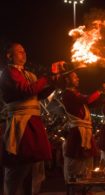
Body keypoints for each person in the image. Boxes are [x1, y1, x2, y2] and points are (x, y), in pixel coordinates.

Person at [0, 42, 64, 195]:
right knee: (17, 164)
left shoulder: (29, 74)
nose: (24, 54)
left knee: (32, 163)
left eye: (24, 51)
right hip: (20, 122)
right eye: (20, 52)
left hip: (32, 121)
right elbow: (25, 90)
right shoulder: (8, 72)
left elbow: (37, 95)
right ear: (9, 55)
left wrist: (53, 83)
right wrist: (47, 78)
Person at [61, 70, 104, 181]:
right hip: (77, 132)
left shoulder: (75, 93)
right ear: (67, 80)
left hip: (85, 131)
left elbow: (91, 102)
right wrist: (99, 91)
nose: (78, 79)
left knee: (87, 164)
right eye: (75, 77)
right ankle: (77, 190)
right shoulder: (67, 94)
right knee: (76, 165)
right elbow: (88, 100)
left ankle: (86, 189)